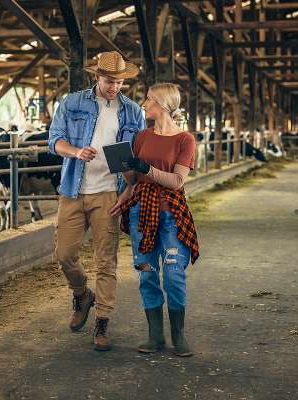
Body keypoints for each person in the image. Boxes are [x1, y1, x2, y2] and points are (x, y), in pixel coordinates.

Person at [48, 51, 145, 351]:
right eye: (108, 81)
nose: (114, 87)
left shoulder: (132, 112)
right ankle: (82, 294)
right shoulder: (72, 102)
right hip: (73, 189)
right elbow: (54, 140)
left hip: (109, 192)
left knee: (106, 260)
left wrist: (128, 191)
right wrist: (76, 151)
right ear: (96, 76)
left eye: (119, 82)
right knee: (64, 254)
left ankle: (102, 322)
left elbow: (138, 156)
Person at [112, 83, 200, 357]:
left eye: (148, 99)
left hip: (171, 212)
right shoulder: (141, 137)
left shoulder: (185, 139)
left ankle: (179, 336)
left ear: (162, 104)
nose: (144, 104)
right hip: (141, 209)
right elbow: (135, 180)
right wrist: (125, 172)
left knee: (174, 273)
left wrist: (145, 168)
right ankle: (155, 336)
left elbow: (176, 181)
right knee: (147, 272)